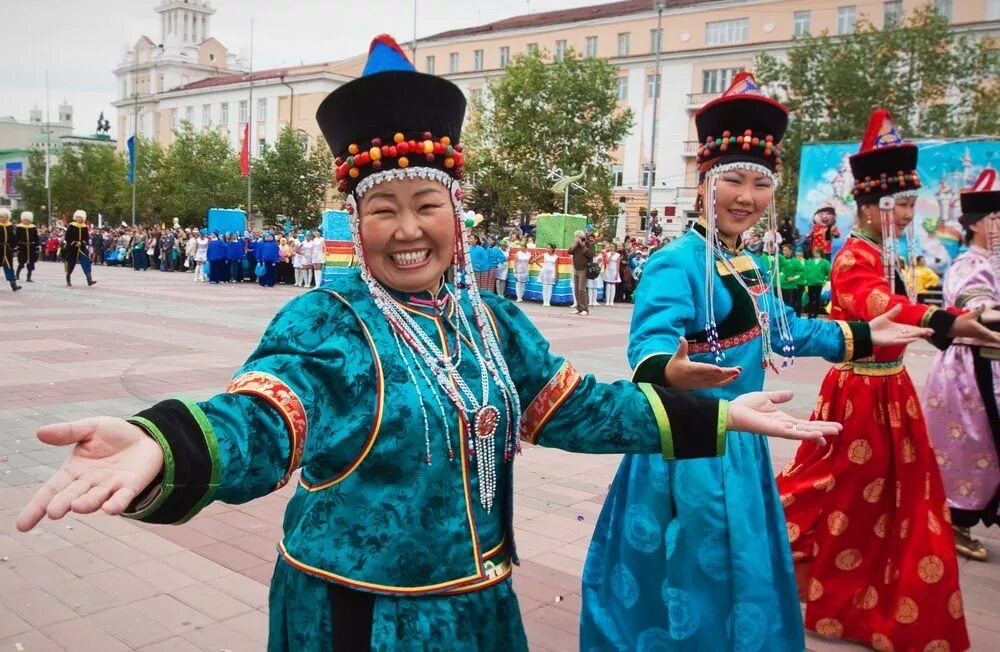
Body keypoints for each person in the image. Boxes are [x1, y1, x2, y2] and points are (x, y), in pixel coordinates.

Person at [15, 36, 838, 652]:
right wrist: (168, 443)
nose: (408, 231)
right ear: (356, 221)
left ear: (457, 210)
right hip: (358, 613)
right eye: (383, 210)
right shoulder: (328, 323)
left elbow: (576, 409)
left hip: (482, 604)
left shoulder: (491, 319)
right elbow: (265, 417)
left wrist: (711, 417)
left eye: (426, 205)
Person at [581, 75, 932, 652]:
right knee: (694, 571)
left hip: (741, 438)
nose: (746, 196)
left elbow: (787, 332)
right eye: (733, 179)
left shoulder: (748, 261)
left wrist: (869, 333)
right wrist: (671, 371)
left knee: (739, 566)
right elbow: (648, 344)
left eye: (760, 183)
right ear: (705, 183)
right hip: (690, 444)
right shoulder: (679, 260)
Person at [775, 109, 999, 652]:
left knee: (887, 501)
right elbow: (879, 306)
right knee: (849, 495)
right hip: (861, 393)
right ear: (874, 206)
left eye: (910, 203)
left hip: (890, 388)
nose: (910, 213)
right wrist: (945, 321)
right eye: (902, 205)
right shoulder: (854, 255)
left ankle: (867, 592)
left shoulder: (883, 252)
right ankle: (820, 585)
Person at [922, 168, 1000, 561]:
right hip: (973, 369)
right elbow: (976, 307)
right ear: (981, 224)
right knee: (971, 447)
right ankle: (957, 522)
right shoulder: (969, 265)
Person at [63, 210, 97, 287]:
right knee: (70, 263)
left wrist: (81, 242)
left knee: (86, 261)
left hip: (81, 247)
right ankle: (68, 279)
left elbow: (86, 238)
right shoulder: (71, 226)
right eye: (78, 217)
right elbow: (67, 237)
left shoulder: (84, 227)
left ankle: (89, 280)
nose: (79, 219)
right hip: (72, 247)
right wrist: (74, 243)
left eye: (81, 218)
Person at [802, 247, 831, 318]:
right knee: (810, 298)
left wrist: (825, 280)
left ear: (820, 253)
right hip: (810, 282)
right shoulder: (810, 261)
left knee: (817, 298)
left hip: (819, 283)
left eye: (817, 252)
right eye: (814, 252)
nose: (815, 254)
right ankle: (810, 313)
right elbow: (806, 271)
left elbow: (829, 272)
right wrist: (806, 279)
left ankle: (815, 314)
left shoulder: (825, 262)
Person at [568, 230, 592, 314]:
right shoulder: (576, 245)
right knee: (576, 289)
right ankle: (579, 308)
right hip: (576, 268)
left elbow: (590, 254)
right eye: (576, 236)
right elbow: (569, 251)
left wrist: (582, 246)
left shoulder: (587, 243)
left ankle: (585, 309)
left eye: (579, 236)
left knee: (581, 289)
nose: (577, 238)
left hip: (584, 269)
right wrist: (575, 244)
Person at [14, 210, 39, 283]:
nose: (26, 221)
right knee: (21, 263)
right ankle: (17, 274)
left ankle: (29, 277)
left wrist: (37, 246)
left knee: (31, 263)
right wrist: (16, 247)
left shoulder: (33, 227)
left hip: (31, 247)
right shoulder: (19, 227)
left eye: (28, 220)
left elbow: (36, 238)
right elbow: (16, 238)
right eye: (25, 220)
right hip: (22, 247)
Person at [779, 242, 803, 313]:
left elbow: (802, 272)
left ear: (790, 251)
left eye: (786, 250)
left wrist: (794, 278)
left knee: (789, 305)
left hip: (790, 286)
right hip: (780, 286)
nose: (784, 252)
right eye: (783, 250)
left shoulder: (795, 261)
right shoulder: (780, 260)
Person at [0, 208, 20, 292]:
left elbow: (13, 238)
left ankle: (13, 284)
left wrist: (15, 247)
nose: (4, 218)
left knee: (9, 267)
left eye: (6, 217)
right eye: (2, 217)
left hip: (7, 249)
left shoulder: (10, 226)